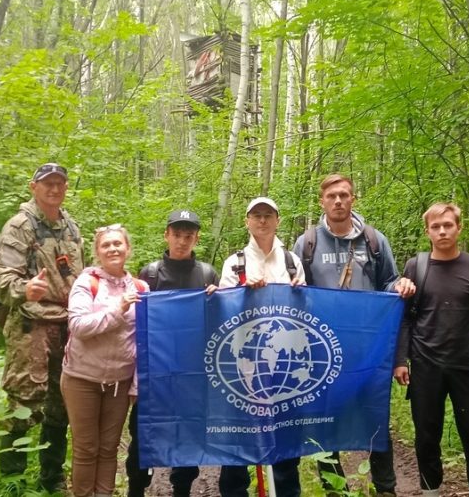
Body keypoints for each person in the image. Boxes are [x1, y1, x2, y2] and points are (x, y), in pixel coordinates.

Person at [290, 173, 415, 497]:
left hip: (367, 351)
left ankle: (385, 488)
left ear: (353, 199)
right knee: (324, 421)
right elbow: (293, 291)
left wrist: (399, 286)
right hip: (322, 353)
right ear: (322, 201)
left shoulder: (374, 240)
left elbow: (388, 280)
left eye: (344, 195)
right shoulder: (307, 243)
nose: (338, 201)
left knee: (375, 417)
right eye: (332, 196)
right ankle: (335, 489)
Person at [393, 203, 469, 497]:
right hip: (425, 365)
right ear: (427, 231)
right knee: (427, 437)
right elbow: (404, 318)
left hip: (466, 365)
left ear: (459, 228)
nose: (442, 231)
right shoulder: (415, 266)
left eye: (448, 225)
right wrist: (400, 359)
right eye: (435, 227)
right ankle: (431, 491)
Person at [0, 162, 83, 493]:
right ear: (34, 186)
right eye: (48, 184)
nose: (54, 189)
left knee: (62, 404)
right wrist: (24, 289)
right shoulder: (20, 226)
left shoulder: (69, 225)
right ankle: (12, 479)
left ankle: (51, 478)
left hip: (67, 326)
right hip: (31, 325)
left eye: (60, 183)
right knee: (24, 403)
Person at [126, 209, 220, 497]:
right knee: (142, 432)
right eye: (177, 234)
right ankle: (135, 488)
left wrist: (217, 299)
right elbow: (136, 321)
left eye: (188, 235)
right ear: (166, 235)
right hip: (155, 372)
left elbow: (217, 323)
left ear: (196, 238)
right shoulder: (150, 274)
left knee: (189, 433)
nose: (182, 240)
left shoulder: (206, 274)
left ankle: (182, 488)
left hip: (193, 372)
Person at [218, 196, 306, 497]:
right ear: (247, 221)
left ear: (278, 220)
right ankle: (233, 492)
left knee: (283, 435)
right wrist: (243, 292)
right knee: (238, 434)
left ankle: (287, 492)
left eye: (269, 215)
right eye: (256, 215)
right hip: (244, 363)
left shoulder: (292, 261)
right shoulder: (235, 262)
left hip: (283, 361)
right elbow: (224, 313)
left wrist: (299, 294)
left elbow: (303, 314)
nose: (263, 221)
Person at [62, 224, 149, 497]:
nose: (113, 248)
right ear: (97, 252)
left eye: (118, 244)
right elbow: (79, 326)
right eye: (106, 245)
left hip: (119, 383)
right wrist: (119, 308)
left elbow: (144, 340)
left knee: (109, 448)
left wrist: (135, 384)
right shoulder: (87, 282)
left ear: (128, 248)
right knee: (86, 448)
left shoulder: (141, 287)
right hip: (81, 379)